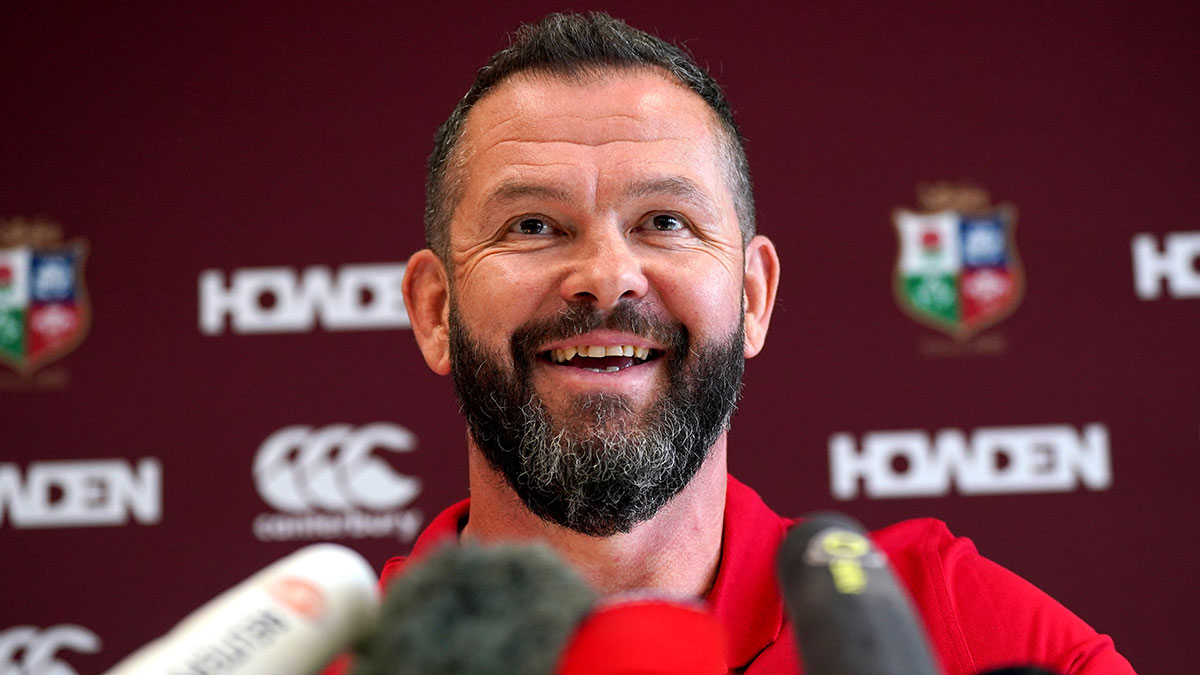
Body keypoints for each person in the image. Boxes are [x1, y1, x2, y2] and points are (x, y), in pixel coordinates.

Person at [357, 12, 1134, 674]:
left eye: (665, 221)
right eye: (532, 225)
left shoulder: (955, 622)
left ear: (755, 296)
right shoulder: (329, 656)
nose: (605, 276)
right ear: (434, 310)